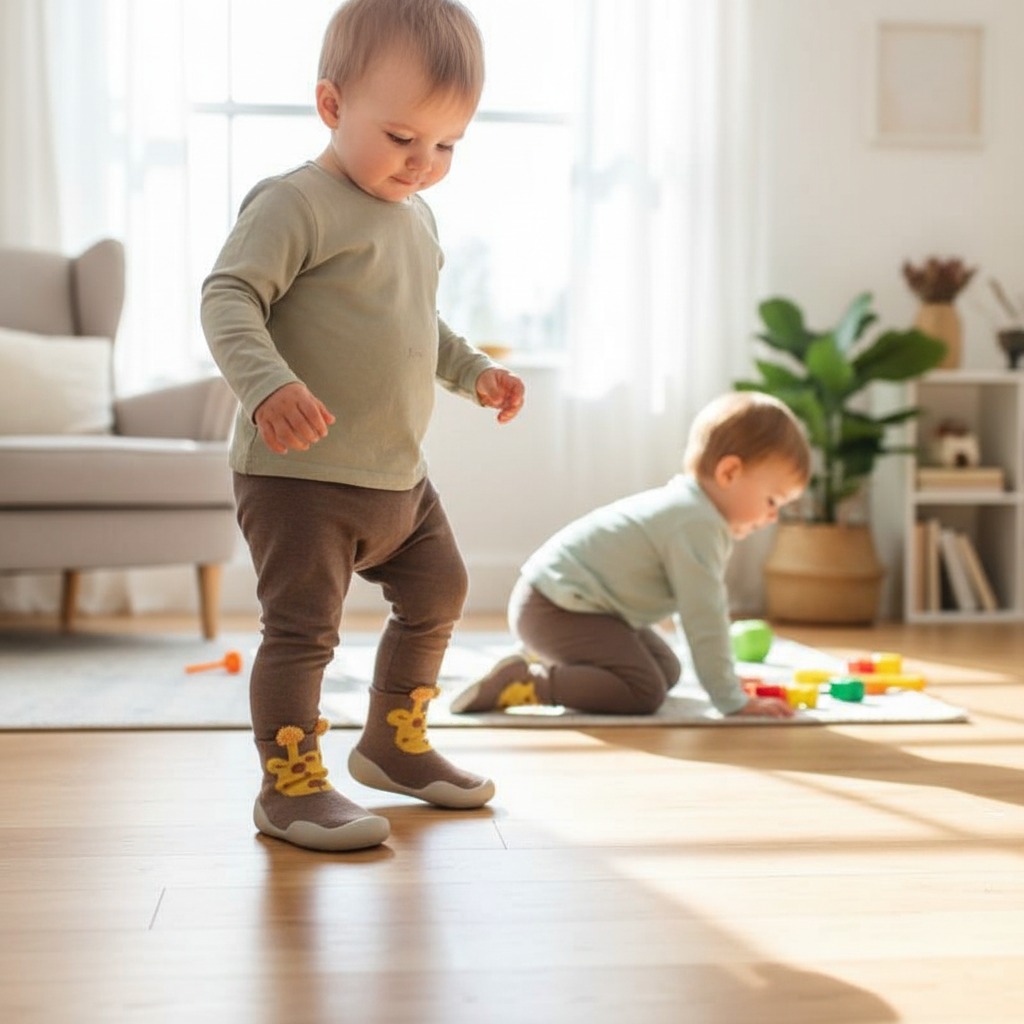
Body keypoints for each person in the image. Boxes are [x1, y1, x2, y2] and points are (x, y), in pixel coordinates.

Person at [201, 0, 524, 853]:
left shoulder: (416, 217)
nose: (423, 164)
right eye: (404, 138)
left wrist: (473, 371)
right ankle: (290, 784)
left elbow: (423, 325)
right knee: (303, 631)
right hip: (299, 477)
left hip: (396, 475)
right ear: (332, 107)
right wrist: (268, 384)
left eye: (447, 145)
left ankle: (394, 742)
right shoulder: (294, 203)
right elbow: (228, 295)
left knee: (440, 591)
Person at [450, 392, 809, 721]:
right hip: (555, 611)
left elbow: (695, 615)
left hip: (568, 607)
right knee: (643, 690)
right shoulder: (697, 524)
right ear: (729, 472)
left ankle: (551, 658)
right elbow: (704, 615)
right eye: (773, 501)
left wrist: (723, 676)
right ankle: (530, 681)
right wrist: (730, 697)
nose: (773, 517)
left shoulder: (690, 509)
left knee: (667, 670)